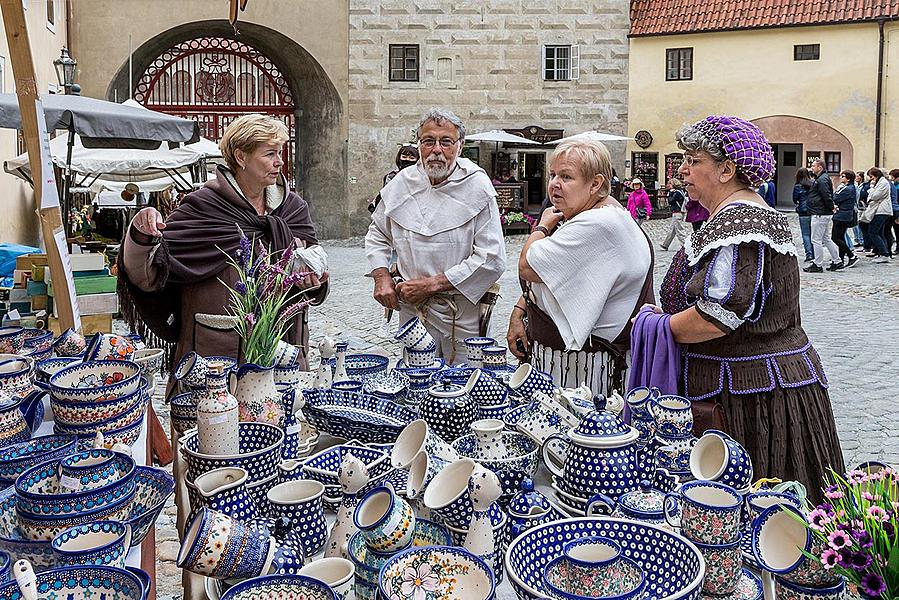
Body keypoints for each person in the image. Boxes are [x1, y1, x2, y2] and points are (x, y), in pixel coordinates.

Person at [650, 115, 843, 503]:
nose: (682, 171)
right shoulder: (740, 216)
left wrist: (656, 329)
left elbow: (717, 314)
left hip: (748, 395)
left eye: (693, 160)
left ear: (726, 169)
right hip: (759, 383)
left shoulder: (741, 222)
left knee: (756, 506)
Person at [118, 114, 328, 376]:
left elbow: (310, 262)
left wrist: (313, 282)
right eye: (270, 154)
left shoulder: (292, 209)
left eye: (280, 152)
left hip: (282, 351)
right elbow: (148, 276)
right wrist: (140, 236)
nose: (279, 162)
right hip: (215, 355)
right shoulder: (202, 208)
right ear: (241, 157)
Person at [506, 139, 653, 394]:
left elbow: (528, 266)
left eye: (566, 177)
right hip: (574, 361)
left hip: (586, 372)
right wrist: (520, 310)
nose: (554, 184)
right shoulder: (601, 211)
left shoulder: (597, 224)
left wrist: (541, 226)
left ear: (595, 184)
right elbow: (557, 274)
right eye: (552, 175)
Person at [365, 107, 506, 363]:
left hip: (462, 313)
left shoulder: (477, 186)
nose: (436, 150)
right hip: (412, 309)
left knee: (465, 384)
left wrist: (431, 285)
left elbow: (492, 258)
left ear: (459, 146)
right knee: (416, 381)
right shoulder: (401, 183)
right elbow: (377, 233)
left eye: (446, 142)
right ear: (419, 145)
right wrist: (381, 276)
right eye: (428, 141)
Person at [804, 159, 842, 273]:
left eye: (813, 166)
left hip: (820, 213)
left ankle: (818, 264)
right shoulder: (822, 178)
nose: (812, 168)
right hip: (823, 212)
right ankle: (837, 260)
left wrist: (831, 206)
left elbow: (826, 195)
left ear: (820, 167)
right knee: (826, 238)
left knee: (816, 240)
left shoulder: (822, 179)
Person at [862, 167, 893, 263]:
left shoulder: (883, 183)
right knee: (879, 233)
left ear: (876, 175)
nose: (870, 179)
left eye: (871, 176)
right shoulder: (880, 183)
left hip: (881, 211)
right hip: (880, 210)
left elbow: (875, 196)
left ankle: (884, 254)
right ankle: (883, 253)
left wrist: (871, 188)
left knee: (873, 232)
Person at [830, 169, 858, 267]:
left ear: (848, 178)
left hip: (842, 215)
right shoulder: (850, 187)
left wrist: (835, 193)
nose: (840, 178)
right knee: (841, 237)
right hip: (845, 215)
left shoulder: (847, 189)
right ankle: (840, 259)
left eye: (843, 176)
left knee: (835, 237)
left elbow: (835, 197)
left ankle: (851, 255)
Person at [792, 168, 814, 262]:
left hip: (803, 211)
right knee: (813, 234)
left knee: (805, 234)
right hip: (813, 210)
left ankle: (809, 254)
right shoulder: (813, 183)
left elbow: (794, 199)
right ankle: (815, 252)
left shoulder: (798, 186)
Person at [660, 178, 688, 251]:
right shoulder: (680, 191)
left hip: (677, 213)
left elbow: (671, 201)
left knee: (679, 230)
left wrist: (670, 193)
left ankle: (685, 245)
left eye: (670, 184)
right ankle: (665, 244)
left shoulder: (676, 192)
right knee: (672, 230)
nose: (669, 185)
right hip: (677, 212)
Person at [854, 171, 867, 248]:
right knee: (855, 224)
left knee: (860, 223)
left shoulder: (864, 186)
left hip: (862, 207)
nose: (856, 178)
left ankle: (861, 239)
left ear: (861, 177)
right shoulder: (856, 185)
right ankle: (857, 239)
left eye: (858, 176)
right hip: (857, 206)